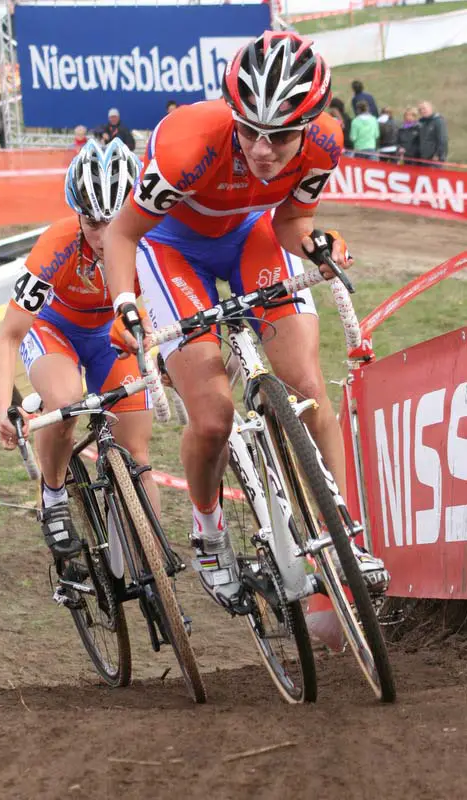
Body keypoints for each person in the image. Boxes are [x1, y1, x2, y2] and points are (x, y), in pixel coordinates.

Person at [104, 31, 389, 611]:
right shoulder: (190, 143)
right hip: (171, 250)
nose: (262, 149)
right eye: (249, 129)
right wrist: (124, 303)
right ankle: (209, 533)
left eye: (280, 135)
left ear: (309, 125)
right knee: (212, 418)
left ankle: (342, 536)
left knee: (306, 387)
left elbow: (292, 221)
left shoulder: (325, 144)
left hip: (252, 235)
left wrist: (317, 245)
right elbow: (122, 232)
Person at [0, 138, 158, 573]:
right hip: (54, 330)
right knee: (64, 405)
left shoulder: (151, 239)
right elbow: (8, 337)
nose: (102, 236)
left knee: (136, 452)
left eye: (114, 220)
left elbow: (161, 312)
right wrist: (1, 406)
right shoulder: (58, 244)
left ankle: (155, 564)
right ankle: (54, 494)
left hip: (110, 333)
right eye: (91, 221)